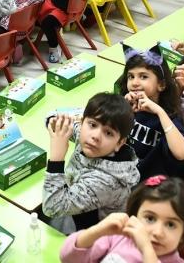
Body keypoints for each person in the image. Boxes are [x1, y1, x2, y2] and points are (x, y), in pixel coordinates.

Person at [42, 92, 139, 230]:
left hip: (92, 231)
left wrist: (56, 159)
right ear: (82, 122)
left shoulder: (106, 181)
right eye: (93, 124)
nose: (96, 136)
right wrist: (55, 122)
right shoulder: (88, 139)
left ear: (119, 143)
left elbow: (52, 207)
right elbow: (51, 116)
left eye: (108, 133)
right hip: (72, 203)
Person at [60, 175, 184, 263]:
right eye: (150, 218)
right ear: (134, 217)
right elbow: (67, 257)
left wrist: (146, 250)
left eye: (171, 224)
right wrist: (97, 230)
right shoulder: (118, 238)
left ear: (183, 234)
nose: (158, 232)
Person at [116, 45, 184, 181]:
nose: (135, 83)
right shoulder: (127, 106)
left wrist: (159, 111)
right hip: (121, 173)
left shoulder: (168, 117)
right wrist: (121, 109)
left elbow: (182, 154)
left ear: (161, 85)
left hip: (148, 184)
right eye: (131, 77)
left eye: (143, 77)